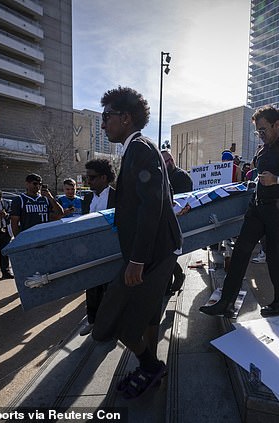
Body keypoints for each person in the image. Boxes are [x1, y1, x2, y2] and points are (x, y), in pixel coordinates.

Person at [92, 86, 182, 400]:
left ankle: (151, 367)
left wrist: (138, 259)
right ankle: (150, 366)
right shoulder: (135, 149)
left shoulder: (141, 148)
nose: (103, 125)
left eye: (107, 117)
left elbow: (153, 203)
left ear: (126, 118)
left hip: (152, 255)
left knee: (117, 321)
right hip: (147, 253)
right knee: (127, 321)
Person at [200, 105, 279, 318]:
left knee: (273, 257)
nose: (260, 135)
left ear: (277, 125)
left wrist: (278, 179)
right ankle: (226, 301)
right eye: (257, 131)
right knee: (240, 252)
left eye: (263, 130)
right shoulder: (261, 151)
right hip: (257, 207)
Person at [78, 158, 116, 337]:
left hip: (112, 251)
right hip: (90, 251)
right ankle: (92, 320)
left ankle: (111, 325)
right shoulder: (87, 198)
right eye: (87, 178)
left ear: (103, 177)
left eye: (91, 178)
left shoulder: (119, 196)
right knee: (91, 288)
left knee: (110, 291)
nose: (88, 182)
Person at [161, 149, 193, 295]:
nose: (168, 163)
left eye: (168, 160)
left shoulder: (181, 177)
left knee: (167, 253)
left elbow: (180, 202)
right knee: (166, 254)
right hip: (167, 219)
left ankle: (175, 279)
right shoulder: (166, 176)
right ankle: (173, 279)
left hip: (177, 220)